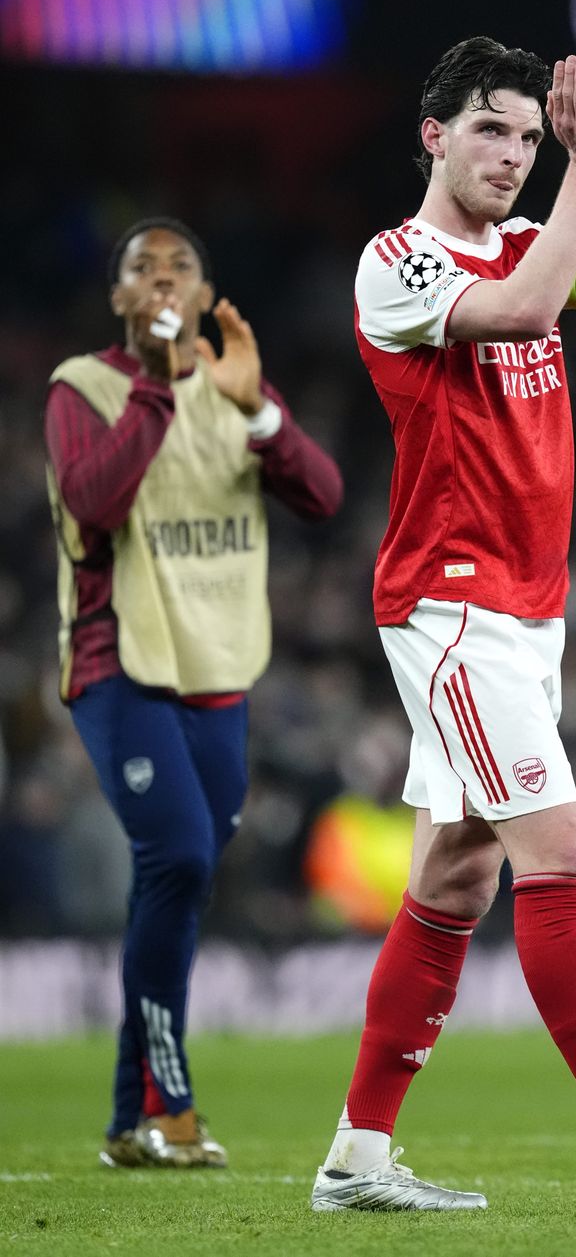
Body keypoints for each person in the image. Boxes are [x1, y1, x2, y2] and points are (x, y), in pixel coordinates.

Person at [310, 30, 576, 1214]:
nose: (513, 156)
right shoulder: (396, 262)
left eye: (524, 134)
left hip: (525, 610)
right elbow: (513, 313)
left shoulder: (526, 241)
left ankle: (357, 1155)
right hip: (451, 605)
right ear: (432, 135)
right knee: (558, 853)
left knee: (454, 879)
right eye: (491, 132)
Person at [44, 217, 343, 1169]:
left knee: (182, 874)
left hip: (216, 666)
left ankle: (129, 1118)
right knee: (175, 855)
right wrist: (165, 391)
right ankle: (168, 1101)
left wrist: (260, 415)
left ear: (209, 294)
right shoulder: (83, 389)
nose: (164, 279)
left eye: (182, 266)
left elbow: (324, 495)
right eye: (145, 268)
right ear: (120, 297)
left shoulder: (232, 390)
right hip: (118, 659)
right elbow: (93, 505)